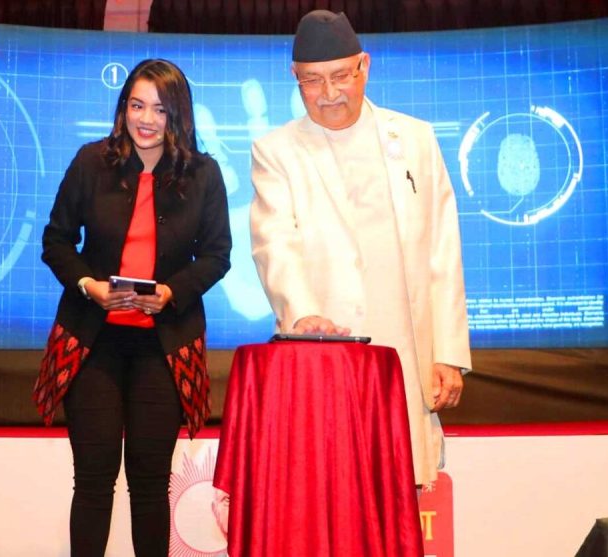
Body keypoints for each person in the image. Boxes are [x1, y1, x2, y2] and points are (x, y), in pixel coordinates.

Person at [249, 10, 471, 486]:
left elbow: (442, 249)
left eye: (340, 76)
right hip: (323, 348)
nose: (329, 93)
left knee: (400, 491)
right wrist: (303, 315)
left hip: (404, 351)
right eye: (312, 81)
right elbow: (274, 243)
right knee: (325, 489)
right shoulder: (276, 150)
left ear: (364, 66)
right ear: (295, 77)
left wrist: (449, 351)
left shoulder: (414, 138)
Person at [33, 58, 231, 557]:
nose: (146, 119)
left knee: (149, 483)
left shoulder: (203, 174)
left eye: (159, 109)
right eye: (136, 105)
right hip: (92, 342)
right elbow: (56, 240)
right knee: (93, 480)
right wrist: (88, 285)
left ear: (178, 115)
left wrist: (170, 292)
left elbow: (217, 255)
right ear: (123, 108)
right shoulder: (90, 162)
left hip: (164, 348)